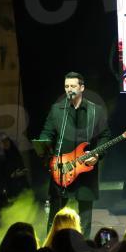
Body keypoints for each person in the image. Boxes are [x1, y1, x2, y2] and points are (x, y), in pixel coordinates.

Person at [39, 72, 110, 238]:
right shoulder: (57, 110)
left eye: (73, 86)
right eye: (66, 86)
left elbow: (105, 135)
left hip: (85, 169)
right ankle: (52, 242)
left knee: (85, 215)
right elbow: (47, 133)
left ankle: (84, 245)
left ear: (82, 88)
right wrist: (43, 145)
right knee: (56, 213)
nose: (69, 89)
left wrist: (97, 155)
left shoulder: (95, 111)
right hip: (62, 168)